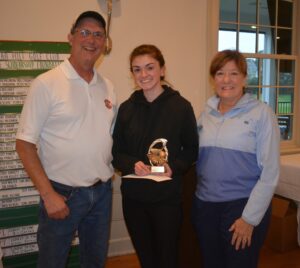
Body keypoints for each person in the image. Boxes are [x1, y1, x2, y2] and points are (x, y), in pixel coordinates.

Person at [16, 11, 117, 268]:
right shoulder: (46, 83)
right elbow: (24, 144)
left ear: (104, 43)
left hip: (102, 192)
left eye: (98, 34)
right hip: (62, 194)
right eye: (84, 32)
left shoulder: (108, 86)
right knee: (52, 263)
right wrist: (48, 194)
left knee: (94, 263)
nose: (91, 40)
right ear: (70, 37)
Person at [192, 50, 280, 268]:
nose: (226, 80)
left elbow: (270, 173)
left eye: (233, 73)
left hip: (241, 206)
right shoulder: (205, 114)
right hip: (205, 205)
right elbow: (194, 157)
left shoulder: (261, 113)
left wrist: (249, 219)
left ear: (244, 77)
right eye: (220, 73)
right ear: (213, 79)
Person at [112, 44, 198, 268]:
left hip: (167, 199)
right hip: (134, 199)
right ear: (132, 74)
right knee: (146, 258)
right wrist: (133, 164)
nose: (144, 74)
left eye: (150, 67)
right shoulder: (126, 109)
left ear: (162, 70)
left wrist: (175, 167)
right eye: (137, 69)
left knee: (167, 257)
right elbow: (116, 153)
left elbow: (191, 150)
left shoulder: (181, 107)